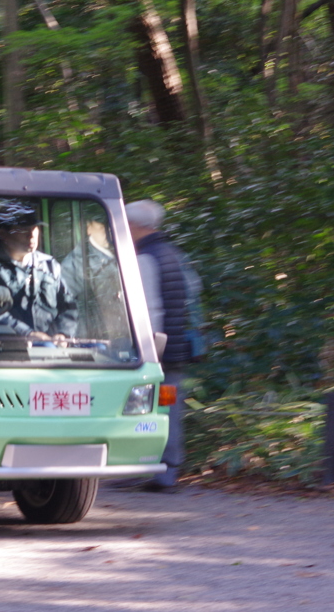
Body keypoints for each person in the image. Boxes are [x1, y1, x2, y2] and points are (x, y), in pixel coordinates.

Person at [125, 199, 197, 492]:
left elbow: (149, 309)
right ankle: (164, 471)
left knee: (148, 410)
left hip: (156, 350)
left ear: (136, 226)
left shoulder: (145, 259)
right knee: (170, 410)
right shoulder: (173, 254)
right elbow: (192, 291)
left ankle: (158, 473)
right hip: (176, 345)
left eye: (127, 225)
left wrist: (144, 352)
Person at [0, 202, 77, 341]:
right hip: (6, 348)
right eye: (23, 229)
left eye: (34, 228)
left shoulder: (50, 265)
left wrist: (64, 334)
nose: (31, 235)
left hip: (50, 347)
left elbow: (68, 305)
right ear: (3, 234)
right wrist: (26, 333)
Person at [60, 208, 131, 344]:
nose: (109, 232)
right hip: (98, 340)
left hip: (125, 336)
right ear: (87, 228)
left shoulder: (123, 253)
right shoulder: (75, 264)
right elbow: (68, 309)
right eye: (102, 227)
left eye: (110, 226)